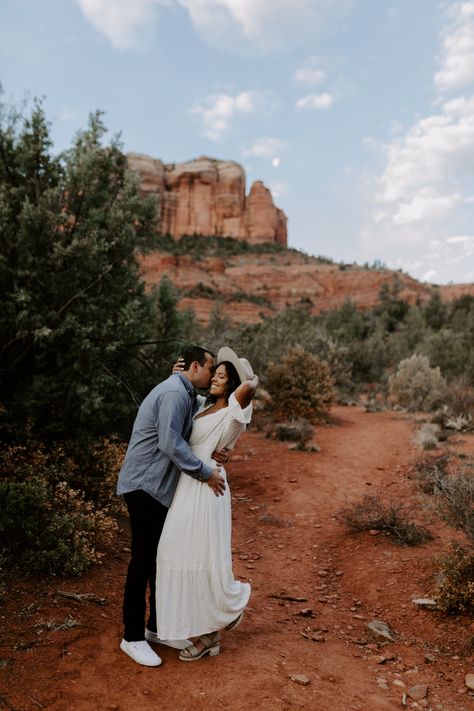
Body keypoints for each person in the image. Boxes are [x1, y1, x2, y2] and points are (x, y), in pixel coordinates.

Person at [116, 345, 227, 667]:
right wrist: (206, 473)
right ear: (195, 366)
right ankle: (132, 637)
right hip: (144, 486)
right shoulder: (174, 394)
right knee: (142, 561)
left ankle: (155, 629)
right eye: (211, 369)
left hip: (157, 489)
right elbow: (169, 442)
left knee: (157, 559)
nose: (211, 375)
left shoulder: (185, 393)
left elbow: (207, 419)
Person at [154, 346, 258, 661]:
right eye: (215, 373)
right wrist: (176, 374)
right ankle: (212, 621)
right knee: (175, 552)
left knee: (199, 556)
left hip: (208, 486)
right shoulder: (202, 407)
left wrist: (245, 375)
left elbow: (251, 387)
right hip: (190, 483)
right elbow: (181, 396)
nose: (214, 379)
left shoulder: (232, 411)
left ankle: (214, 627)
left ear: (232, 385)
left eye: (222, 377)